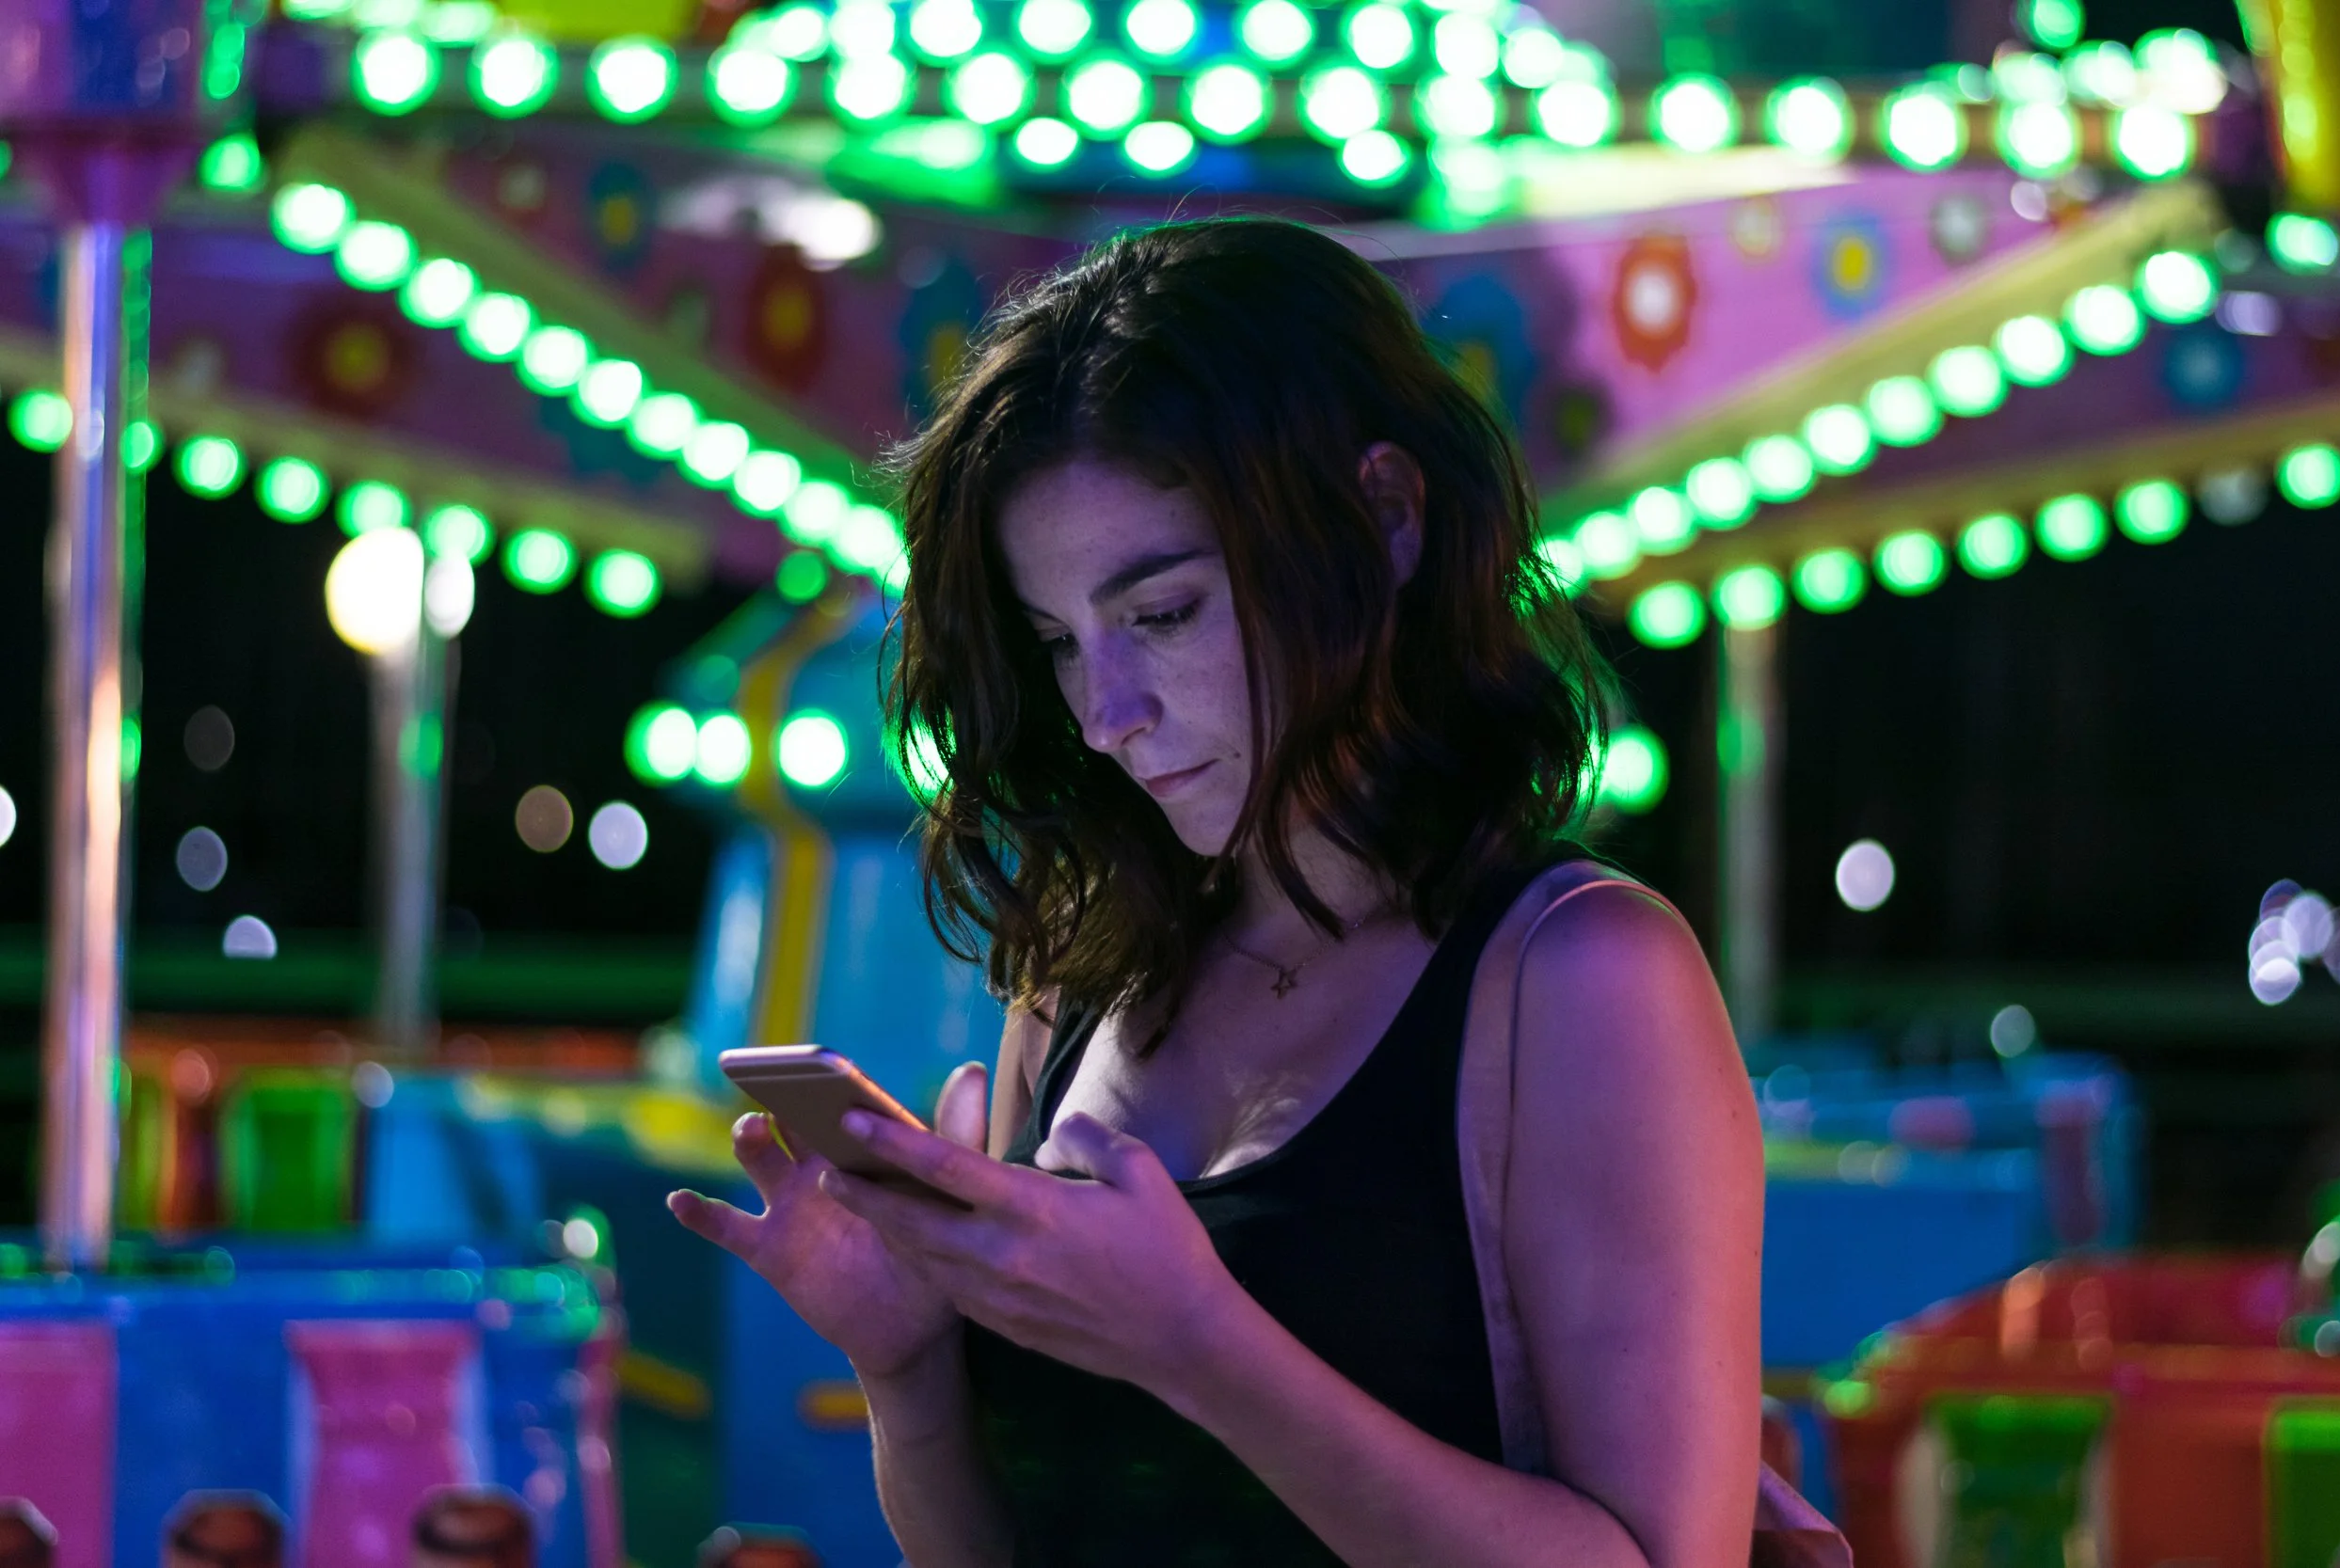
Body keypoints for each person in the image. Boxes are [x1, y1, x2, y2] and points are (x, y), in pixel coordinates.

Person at [671, 217, 1770, 1567]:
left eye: (1166, 612)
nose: (1107, 715)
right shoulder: (1081, 972)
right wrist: (910, 1370)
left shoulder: (1582, 975)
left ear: (1385, 517)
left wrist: (1202, 1343)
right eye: (1059, 642)